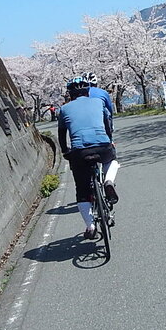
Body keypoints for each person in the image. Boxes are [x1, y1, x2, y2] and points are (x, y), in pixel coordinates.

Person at [58, 76, 120, 240]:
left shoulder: (64, 109)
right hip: (103, 146)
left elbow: (62, 134)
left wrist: (65, 152)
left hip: (80, 152)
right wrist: (109, 140)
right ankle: (108, 182)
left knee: (82, 190)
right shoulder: (98, 102)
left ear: (70, 94)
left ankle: (90, 226)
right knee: (111, 161)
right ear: (88, 91)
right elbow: (107, 125)